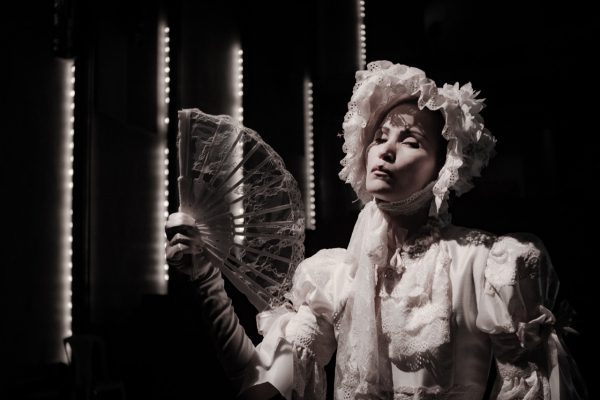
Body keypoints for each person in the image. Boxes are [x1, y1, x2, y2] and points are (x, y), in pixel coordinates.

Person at [165, 61, 587, 399]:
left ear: (443, 168)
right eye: (380, 136)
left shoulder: (485, 264)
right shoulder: (337, 275)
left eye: (411, 141)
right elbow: (260, 385)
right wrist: (207, 280)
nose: (385, 150)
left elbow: (532, 389)